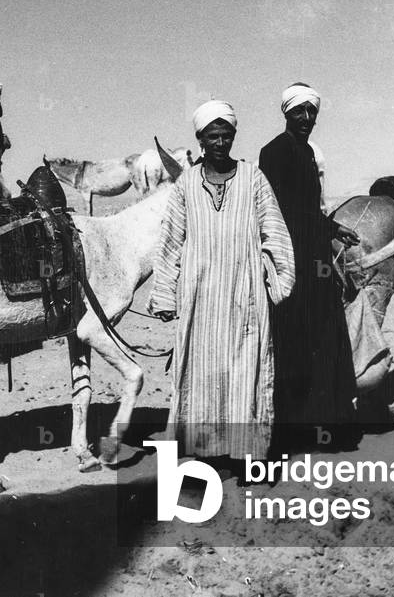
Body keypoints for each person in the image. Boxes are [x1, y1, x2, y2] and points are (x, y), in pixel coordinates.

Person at [149, 100, 295, 469]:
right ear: (200, 139)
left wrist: (279, 281)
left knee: (247, 371)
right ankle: (205, 454)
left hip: (245, 295)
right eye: (212, 136)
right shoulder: (185, 185)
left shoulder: (253, 178)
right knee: (201, 374)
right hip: (199, 298)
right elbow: (170, 240)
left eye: (226, 135)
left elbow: (274, 232)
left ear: (234, 136)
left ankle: (249, 458)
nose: (219, 142)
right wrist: (165, 292)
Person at [259, 83, 360, 444]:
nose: (306, 118)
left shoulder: (307, 153)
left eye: (311, 112)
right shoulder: (274, 152)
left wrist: (332, 228)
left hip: (314, 255)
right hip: (291, 259)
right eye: (299, 111)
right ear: (286, 113)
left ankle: (322, 424)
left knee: (324, 335)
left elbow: (307, 209)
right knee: (295, 340)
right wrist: (324, 229)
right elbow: (281, 210)